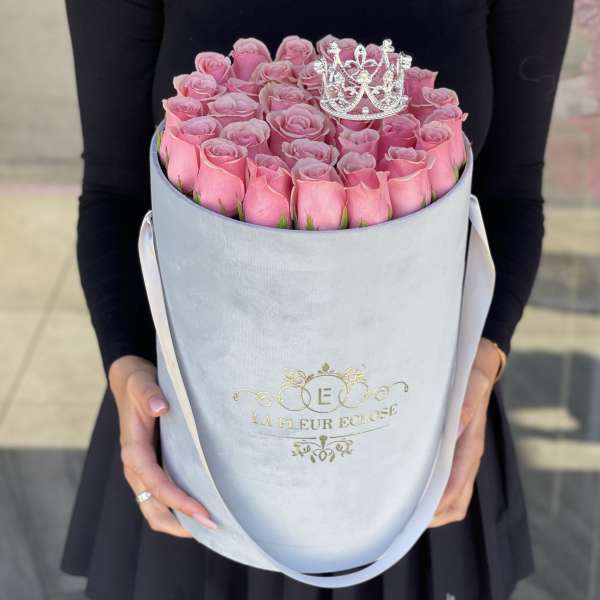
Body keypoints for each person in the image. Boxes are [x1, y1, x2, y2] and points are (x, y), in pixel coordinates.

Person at [60, 1, 573, 598]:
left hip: (422, 429)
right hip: (196, 436)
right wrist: (127, 367)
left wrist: (484, 364)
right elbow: (113, 190)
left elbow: (512, 194)